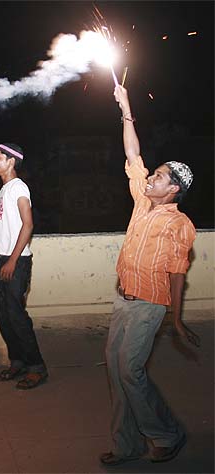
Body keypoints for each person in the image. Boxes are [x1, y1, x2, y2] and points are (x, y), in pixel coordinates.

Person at [100, 85, 200, 466]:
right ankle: (127, 445)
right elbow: (132, 152)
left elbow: (178, 273)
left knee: (131, 369)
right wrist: (126, 107)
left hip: (150, 305)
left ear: (172, 189)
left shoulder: (181, 225)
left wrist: (175, 318)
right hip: (123, 297)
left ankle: (167, 434)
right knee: (117, 370)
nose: (151, 178)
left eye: (158, 177)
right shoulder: (142, 201)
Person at [0, 143, 48, 390]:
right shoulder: (4, 190)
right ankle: (18, 361)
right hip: (4, 259)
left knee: (16, 316)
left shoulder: (18, 188)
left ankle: (37, 367)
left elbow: (28, 225)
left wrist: (14, 260)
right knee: (2, 315)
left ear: (11, 161)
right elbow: (2, 233)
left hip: (17, 261)